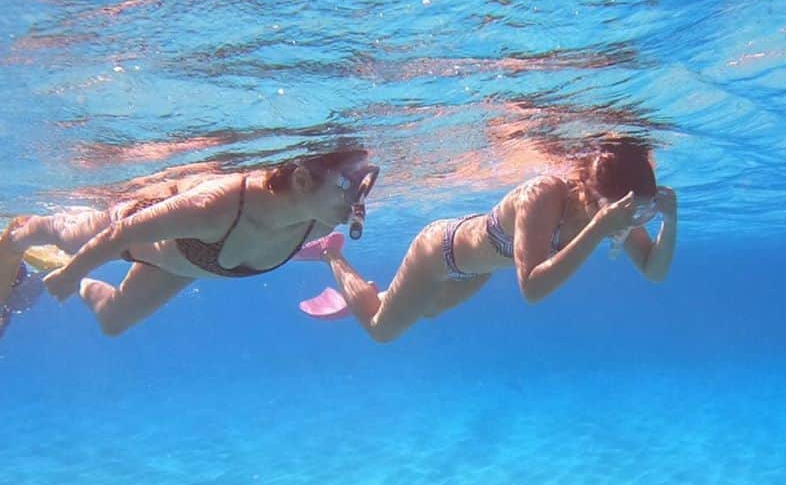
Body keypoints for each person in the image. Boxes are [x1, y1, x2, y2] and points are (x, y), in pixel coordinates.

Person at [302, 136, 676, 342]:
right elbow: (531, 287)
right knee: (382, 329)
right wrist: (596, 229)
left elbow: (653, 270)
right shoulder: (546, 195)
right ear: (593, 196)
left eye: (641, 212)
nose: (632, 220)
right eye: (632, 211)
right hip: (440, 252)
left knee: (426, 310)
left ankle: (375, 293)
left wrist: (670, 221)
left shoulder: (610, 213)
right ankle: (331, 255)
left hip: (477, 269)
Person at [0, 148, 377, 336]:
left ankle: (82, 284)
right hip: (143, 237)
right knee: (69, 238)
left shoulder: (319, 221)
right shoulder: (217, 206)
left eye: (364, 186)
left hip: (189, 265)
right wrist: (72, 270)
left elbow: (268, 242)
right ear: (300, 181)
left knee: (112, 321)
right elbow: (122, 234)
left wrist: (76, 281)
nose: (357, 203)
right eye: (349, 188)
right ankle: (24, 233)